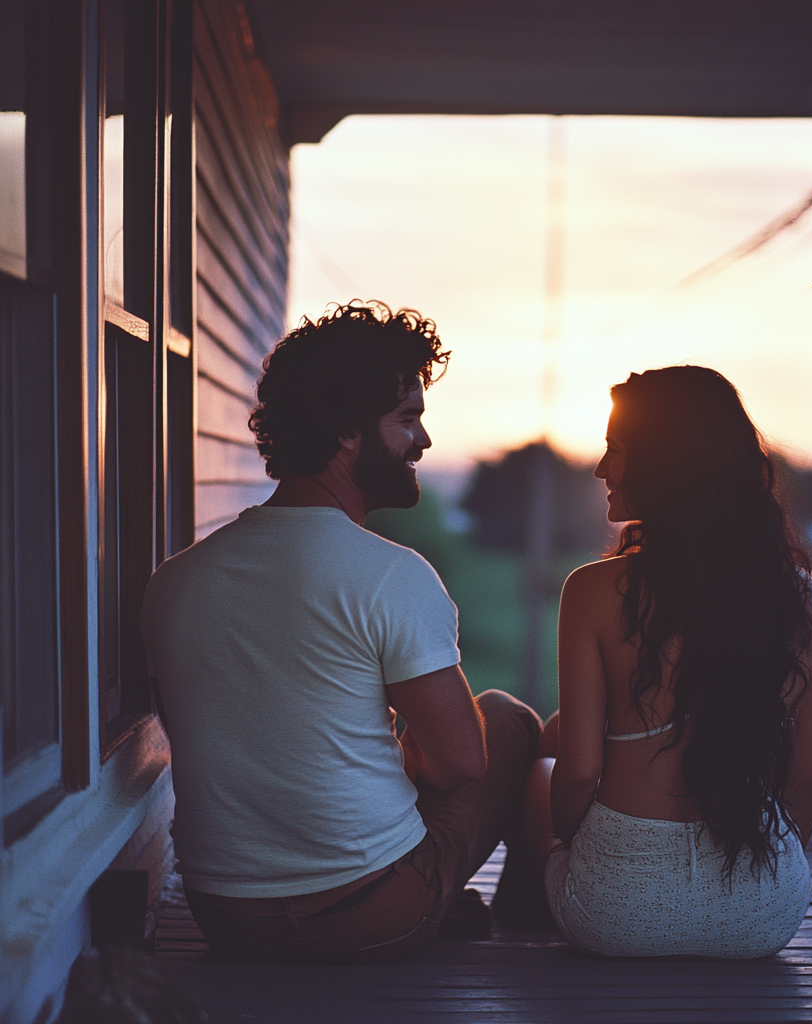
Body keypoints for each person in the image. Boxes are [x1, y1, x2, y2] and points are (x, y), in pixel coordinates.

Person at [141, 302, 541, 964]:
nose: (424, 441)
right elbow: (460, 765)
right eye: (408, 420)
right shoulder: (392, 576)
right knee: (507, 720)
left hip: (227, 917)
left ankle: (435, 895)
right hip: (366, 914)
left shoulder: (175, 581)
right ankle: (516, 909)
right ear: (346, 432)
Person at [523, 365, 812, 958]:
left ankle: (524, 911)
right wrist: (765, 866)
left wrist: (574, 847)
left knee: (544, 763)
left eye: (616, 449)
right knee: (556, 733)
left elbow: (581, 772)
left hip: (615, 914)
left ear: (663, 466)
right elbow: (808, 775)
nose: (599, 468)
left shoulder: (592, 591)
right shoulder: (798, 597)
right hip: (765, 915)